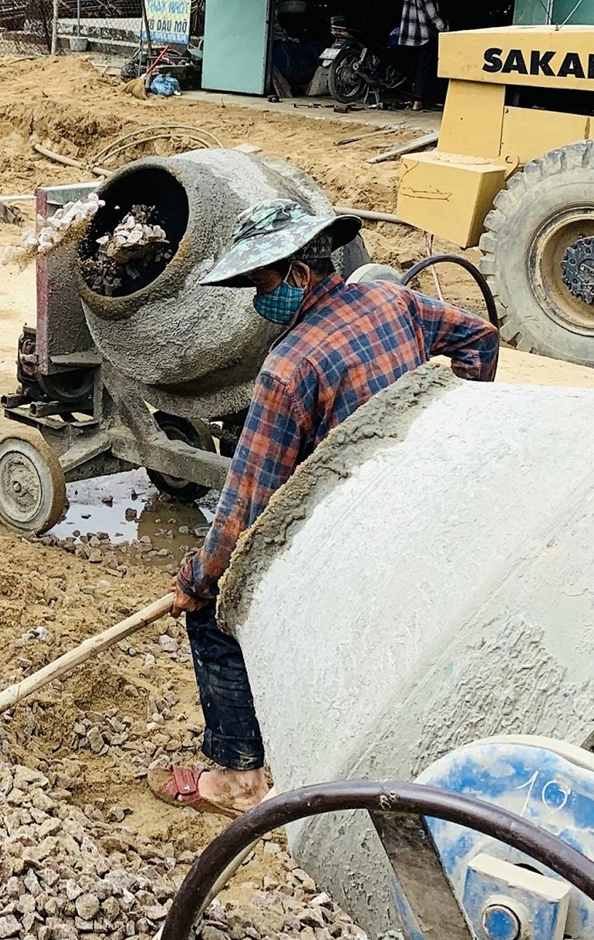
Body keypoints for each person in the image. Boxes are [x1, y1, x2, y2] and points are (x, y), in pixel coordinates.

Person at [150, 199, 499, 817]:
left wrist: (198, 581)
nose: (257, 300)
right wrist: (455, 428)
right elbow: (479, 336)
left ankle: (237, 780)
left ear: (298, 276)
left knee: (214, 617)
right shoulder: (394, 302)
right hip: (420, 498)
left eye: (260, 284)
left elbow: (243, 505)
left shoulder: (289, 368)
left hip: (354, 535)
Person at [395, 0, 446, 110]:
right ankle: (419, 100)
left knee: (414, 65)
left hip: (408, 32)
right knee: (425, 66)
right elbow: (430, 9)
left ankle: (412, 97)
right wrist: (441, 26)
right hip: (423, 32)